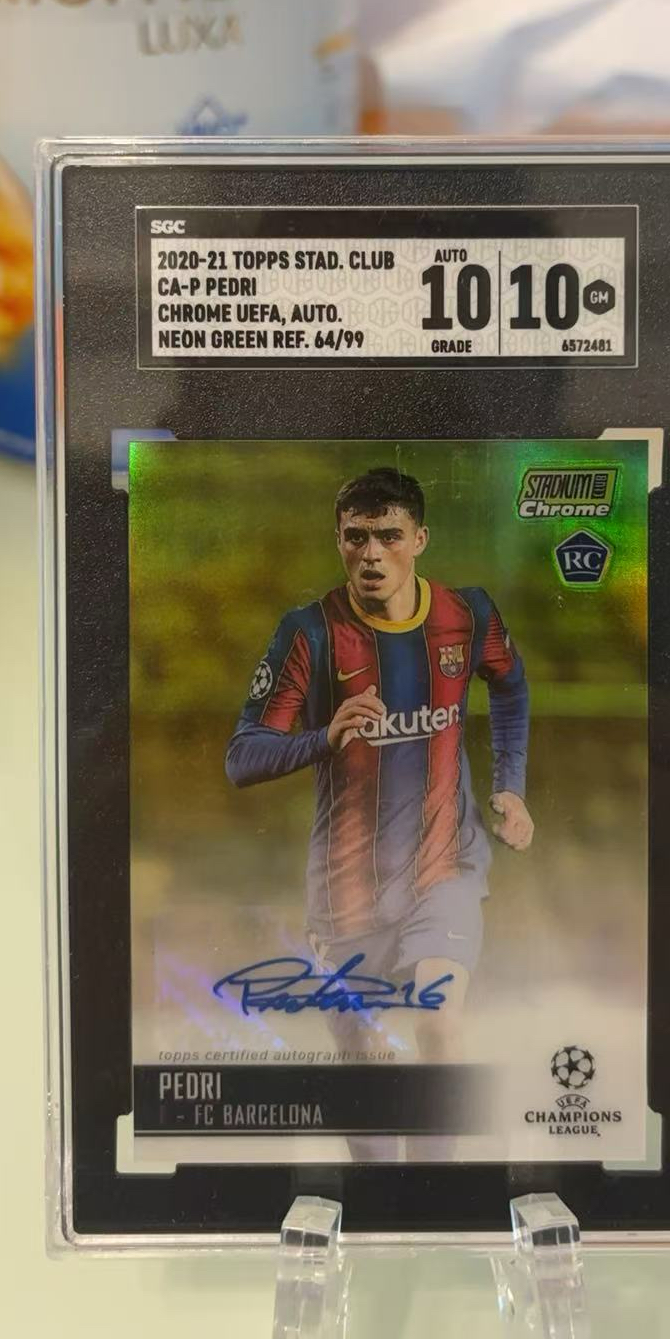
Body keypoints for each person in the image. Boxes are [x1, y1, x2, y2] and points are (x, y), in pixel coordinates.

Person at [225, 465, 532, 1155]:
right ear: (338, 541)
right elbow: (242, 757)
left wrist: (510, 784)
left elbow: (511, 686)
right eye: (355, 537)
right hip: (346, 893)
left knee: (438, 1024)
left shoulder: (468, 615)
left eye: (388, 536)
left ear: (419, 539)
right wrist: (323, 737)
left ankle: (435, 1188)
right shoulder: (310, 634)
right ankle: (379, 1192)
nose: (371, 554)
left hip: (444, 869)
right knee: (364, 1065)